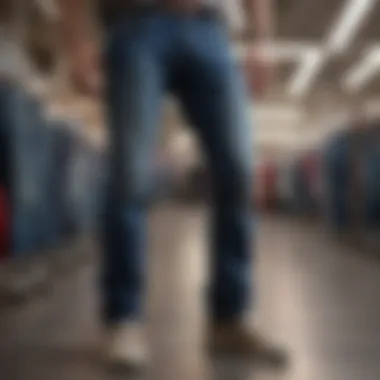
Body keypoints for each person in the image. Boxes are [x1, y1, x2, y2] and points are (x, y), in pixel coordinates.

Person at [58, 0, 288, 368]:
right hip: (135, 22)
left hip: (211, 27)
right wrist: (77, 44)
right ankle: (123, 318)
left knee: (239, 169)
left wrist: (261, 41)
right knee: (130, 173)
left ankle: (229, 317)